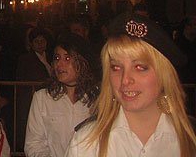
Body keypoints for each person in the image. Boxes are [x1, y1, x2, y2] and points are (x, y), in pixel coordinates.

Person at [65, 12, 196, 156]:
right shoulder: (86, 144)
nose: (125, 80)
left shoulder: (189, 139)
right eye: (116, 67)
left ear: (164, 75)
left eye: (139, 67)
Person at [25, 33, 99, 157]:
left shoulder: (97, 97)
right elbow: (34, 144)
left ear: (81, 63)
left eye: (67, 59)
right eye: (57, 58)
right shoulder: (43, 97)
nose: (60, 64)